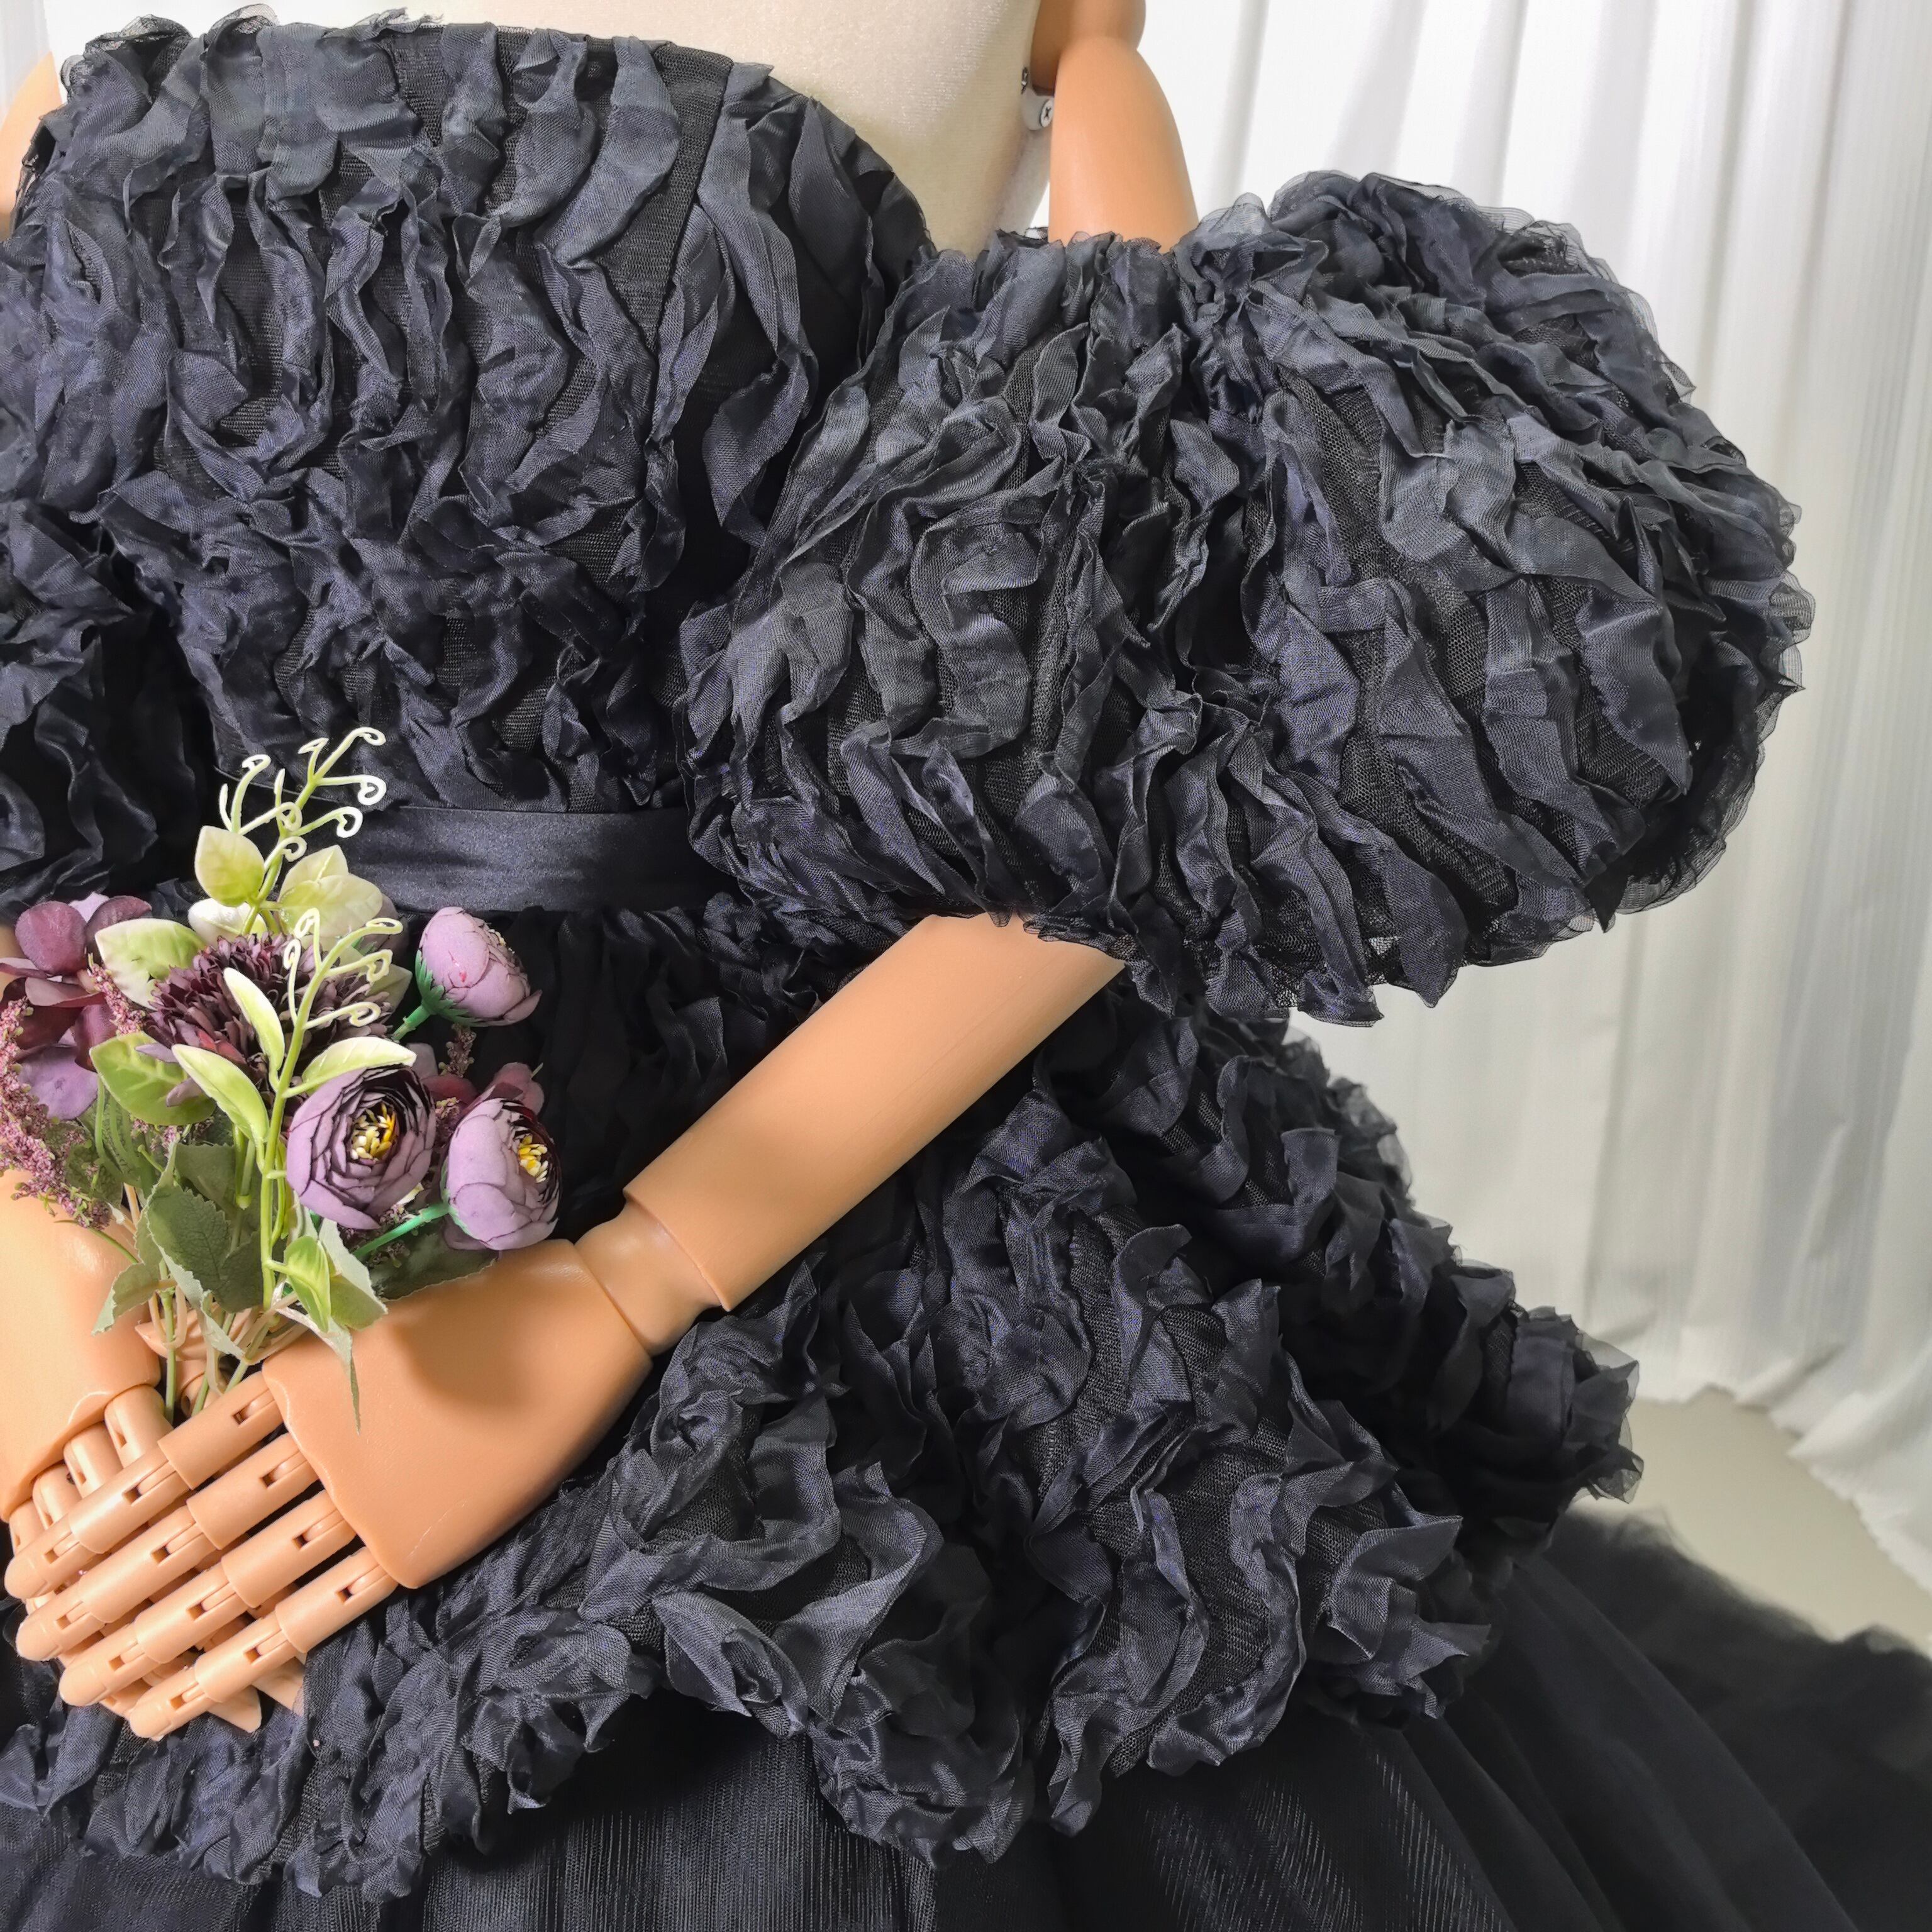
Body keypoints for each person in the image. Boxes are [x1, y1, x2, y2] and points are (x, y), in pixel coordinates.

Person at [0, 8, 1925, 1929]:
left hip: (838, 1148)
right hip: (237, 1097)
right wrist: (43, 1244)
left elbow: (1136, 733)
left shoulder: (1027, 31)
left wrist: (627, 1284)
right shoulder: (65, 92)